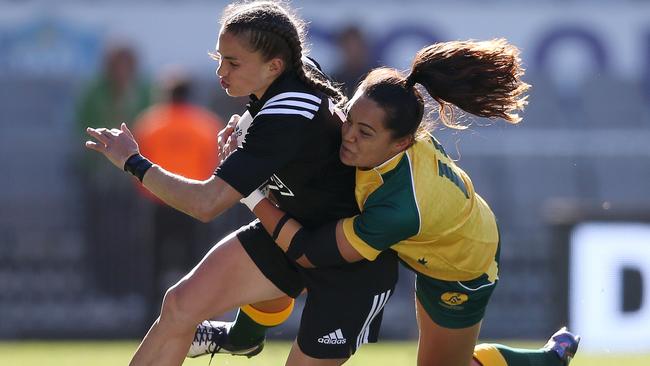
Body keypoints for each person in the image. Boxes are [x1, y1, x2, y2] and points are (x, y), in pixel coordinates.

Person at [84, 1, 398, 365]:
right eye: (219, 57)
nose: (221, 70)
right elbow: (288, 134)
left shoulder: (285, 115)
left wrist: (132, 161)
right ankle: (242, 336)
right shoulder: (295, 74)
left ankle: (241, 336)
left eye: (233, 63)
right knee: (180, 306)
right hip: (291, 233)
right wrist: (248, 124)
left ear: (274, 66)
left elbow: (206, 204)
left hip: (351, 261)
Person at [236, 39, 581, 366]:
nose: (349, 135)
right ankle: (242, 335)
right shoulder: (386, 125)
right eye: (350, 119)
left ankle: (545, 359)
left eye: (365, 132)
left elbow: (310, 252)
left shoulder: (398, 209)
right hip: (440, 227)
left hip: (461, 264)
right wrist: (251, 125)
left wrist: (250, 191)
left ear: (401, 144)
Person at [131, 69, 225, 317]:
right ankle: (201, 314)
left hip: (159, 203)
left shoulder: (150, 122)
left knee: (155, 264)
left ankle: (151, 318)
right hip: (195, 201)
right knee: (198, 262)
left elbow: (137, 164)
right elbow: (214, 165)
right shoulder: (206, 124)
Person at [75, 42, 152, 300]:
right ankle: (102, 289)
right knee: (102, 237)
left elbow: (151, 125)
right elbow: (81, 127)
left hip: (135, 180)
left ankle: (130, 288)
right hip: (100, 180)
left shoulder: (144, 90)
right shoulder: (94, 92)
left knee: (133, 238)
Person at [331, 25, 376, 98]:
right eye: (349, 46)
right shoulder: (334, 80)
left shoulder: (375, 77)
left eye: (356, 46)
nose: (353, 51)